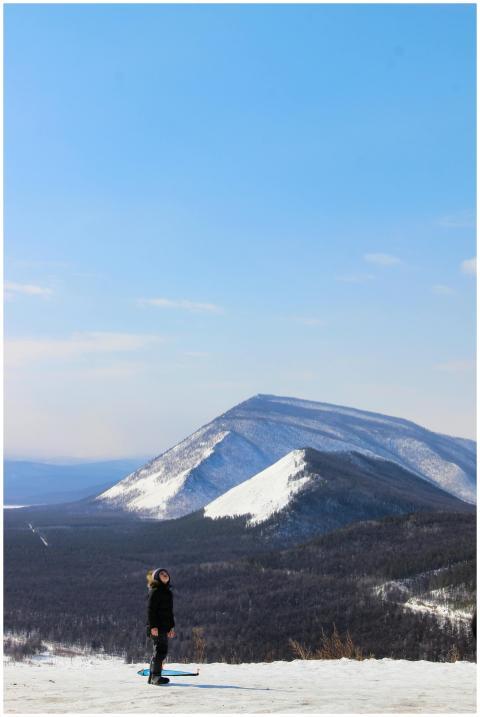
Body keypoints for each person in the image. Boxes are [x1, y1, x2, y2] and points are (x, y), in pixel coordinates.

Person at [146, 568, 176, 685]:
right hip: (156, 627)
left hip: (164, 627)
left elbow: (169, 613)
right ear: (157, 578)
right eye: (162, 574)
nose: (165, 575)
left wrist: (171, 627)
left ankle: (153, 676)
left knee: (161, 650)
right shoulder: (155, 591)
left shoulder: (168, 593)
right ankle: (155, 676)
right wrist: (153, 626)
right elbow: (150, 610)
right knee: (159, 651)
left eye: (166, 573)